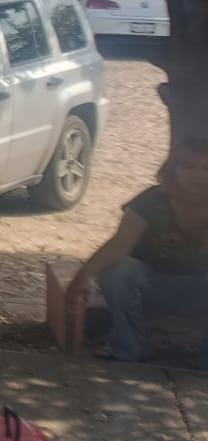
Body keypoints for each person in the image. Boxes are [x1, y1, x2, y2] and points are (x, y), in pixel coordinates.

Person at [69, 141, 208, 368]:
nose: (198, 176)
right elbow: (119, 244)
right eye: (189, 167)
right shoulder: (152, 200)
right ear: (173, 169)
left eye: (206, 168)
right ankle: (128, 346)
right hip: (154, 285)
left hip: (200, 288)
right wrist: (84, 275)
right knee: (117, 271)